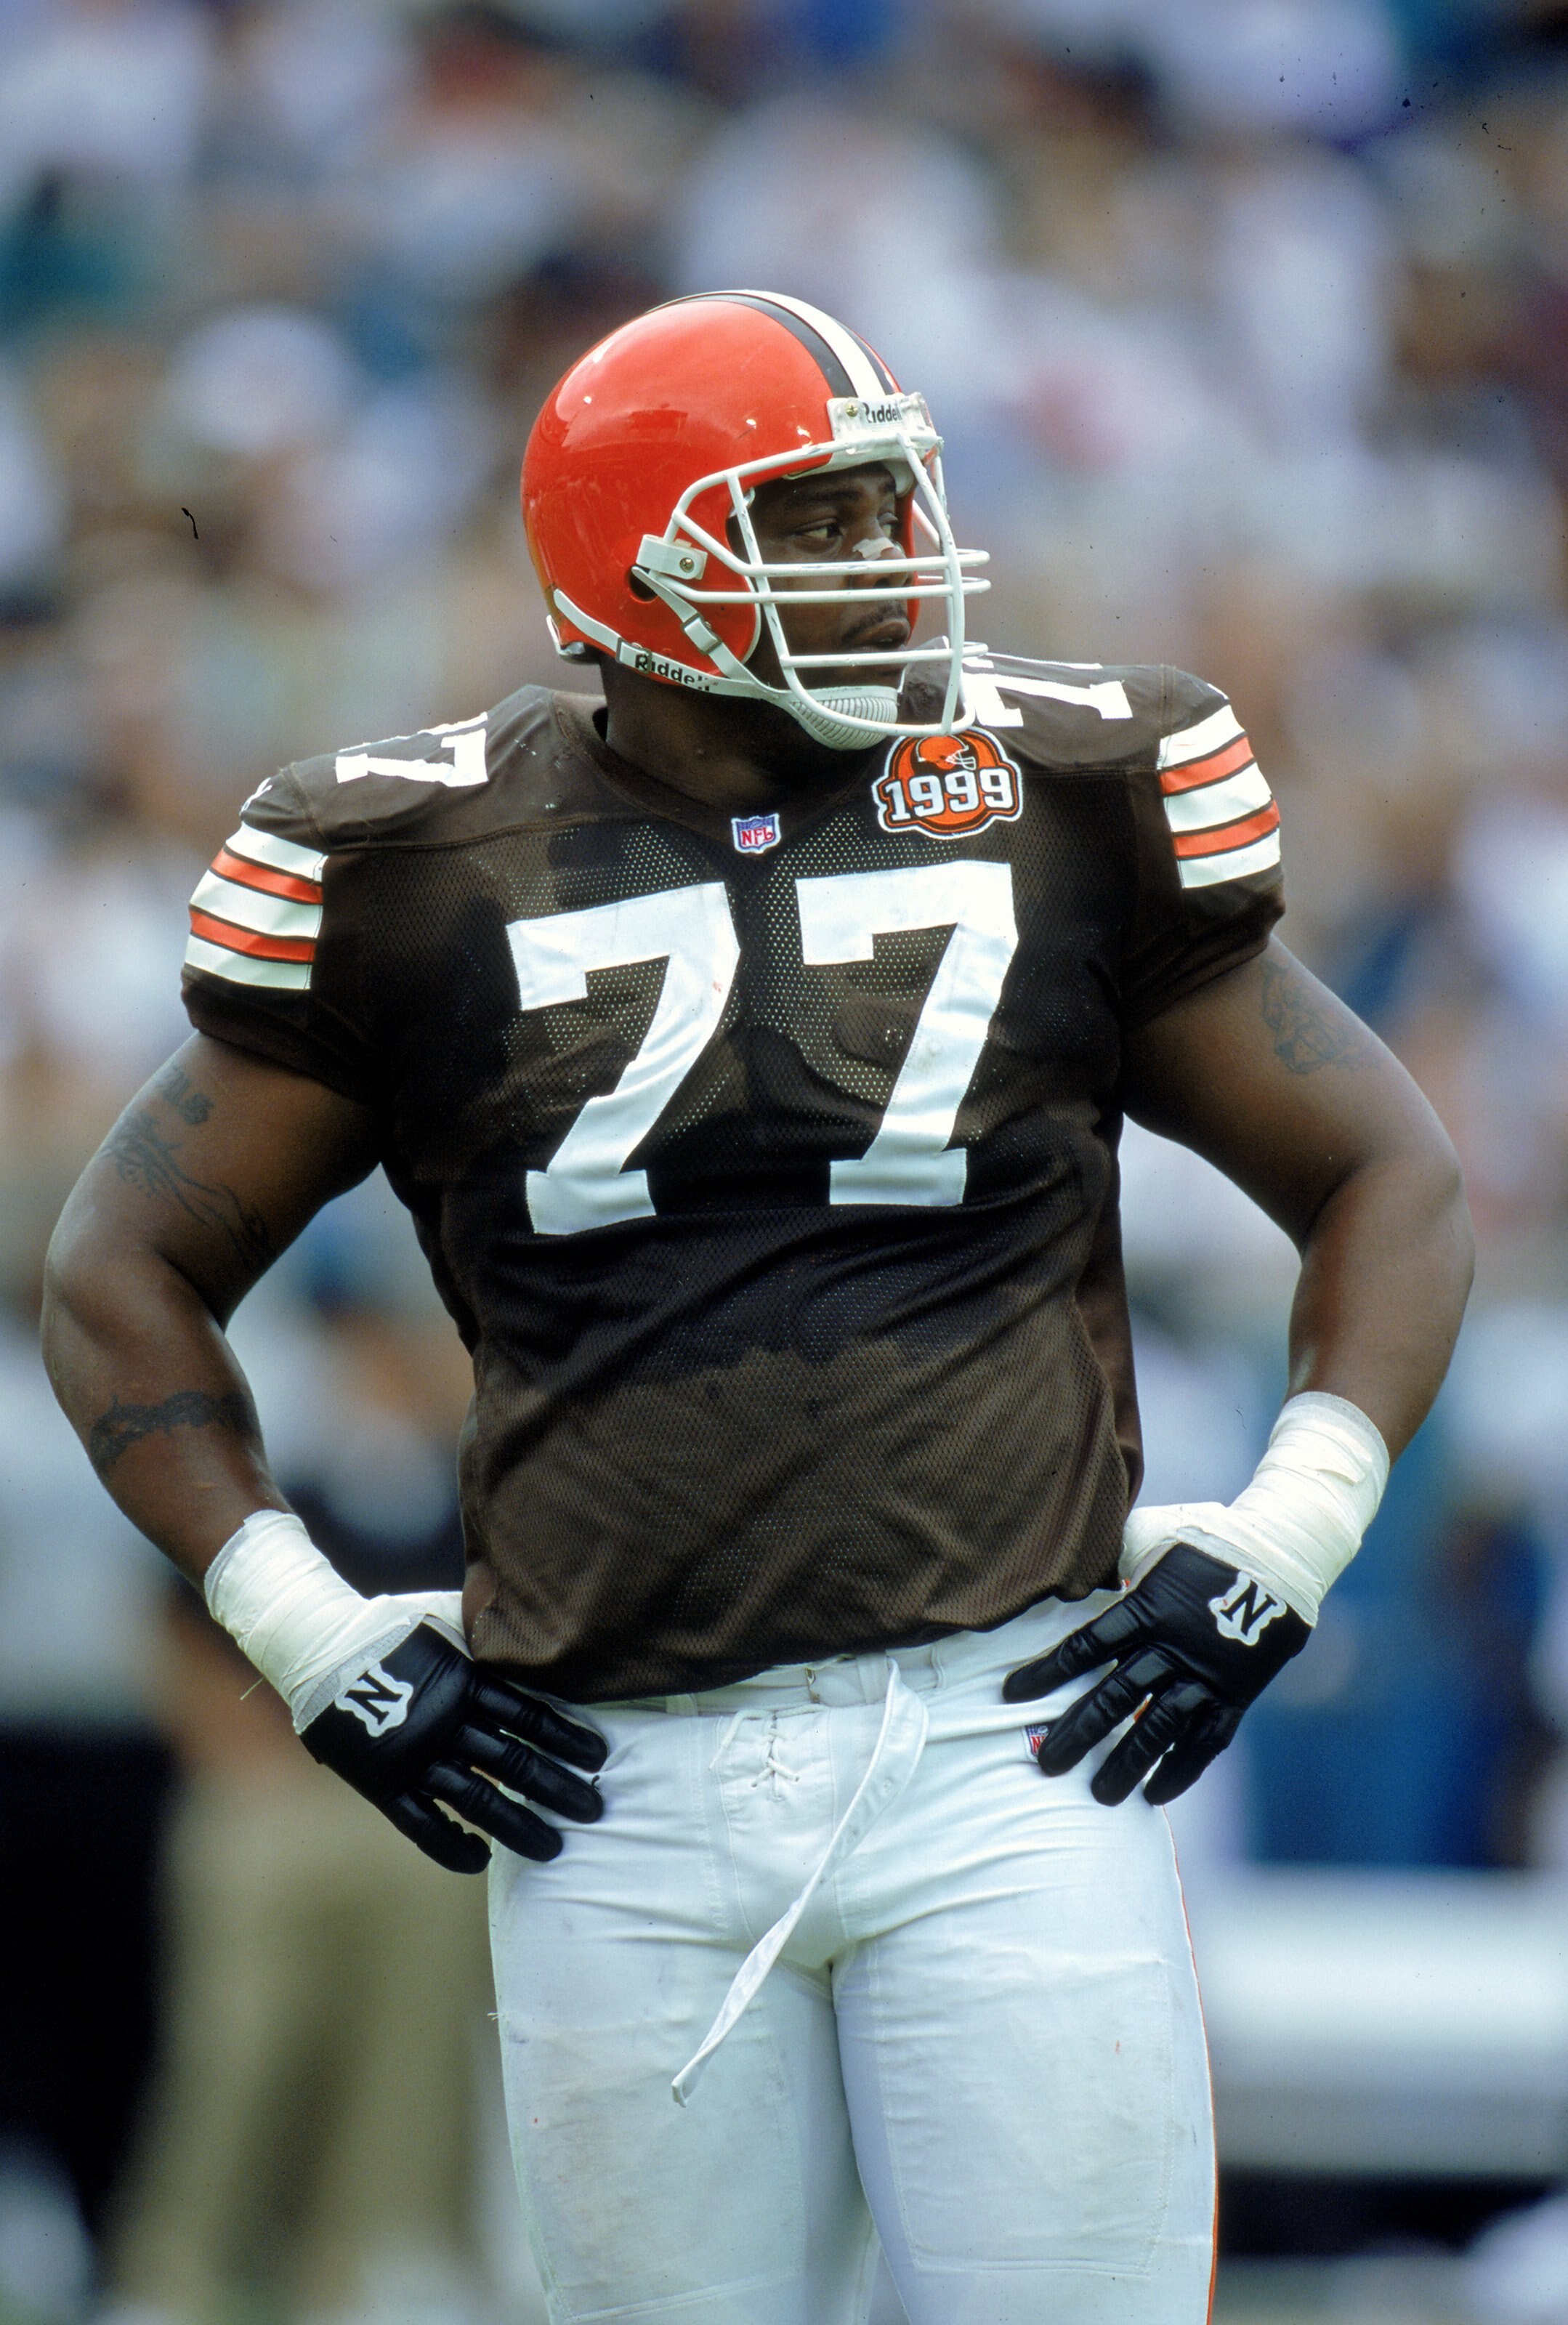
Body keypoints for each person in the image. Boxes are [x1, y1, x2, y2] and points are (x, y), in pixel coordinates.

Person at [42, 291, 1473, 2325]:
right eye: (823, 518)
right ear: (641, 565)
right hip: (610, 1774)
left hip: (1017, 1741)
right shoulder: (420, 857)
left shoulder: (1060, 792)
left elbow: (1390, 1174)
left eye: (899, 504)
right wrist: (308, 1635)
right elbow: (120, 1268)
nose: (899, 563)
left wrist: (1291, 1535)